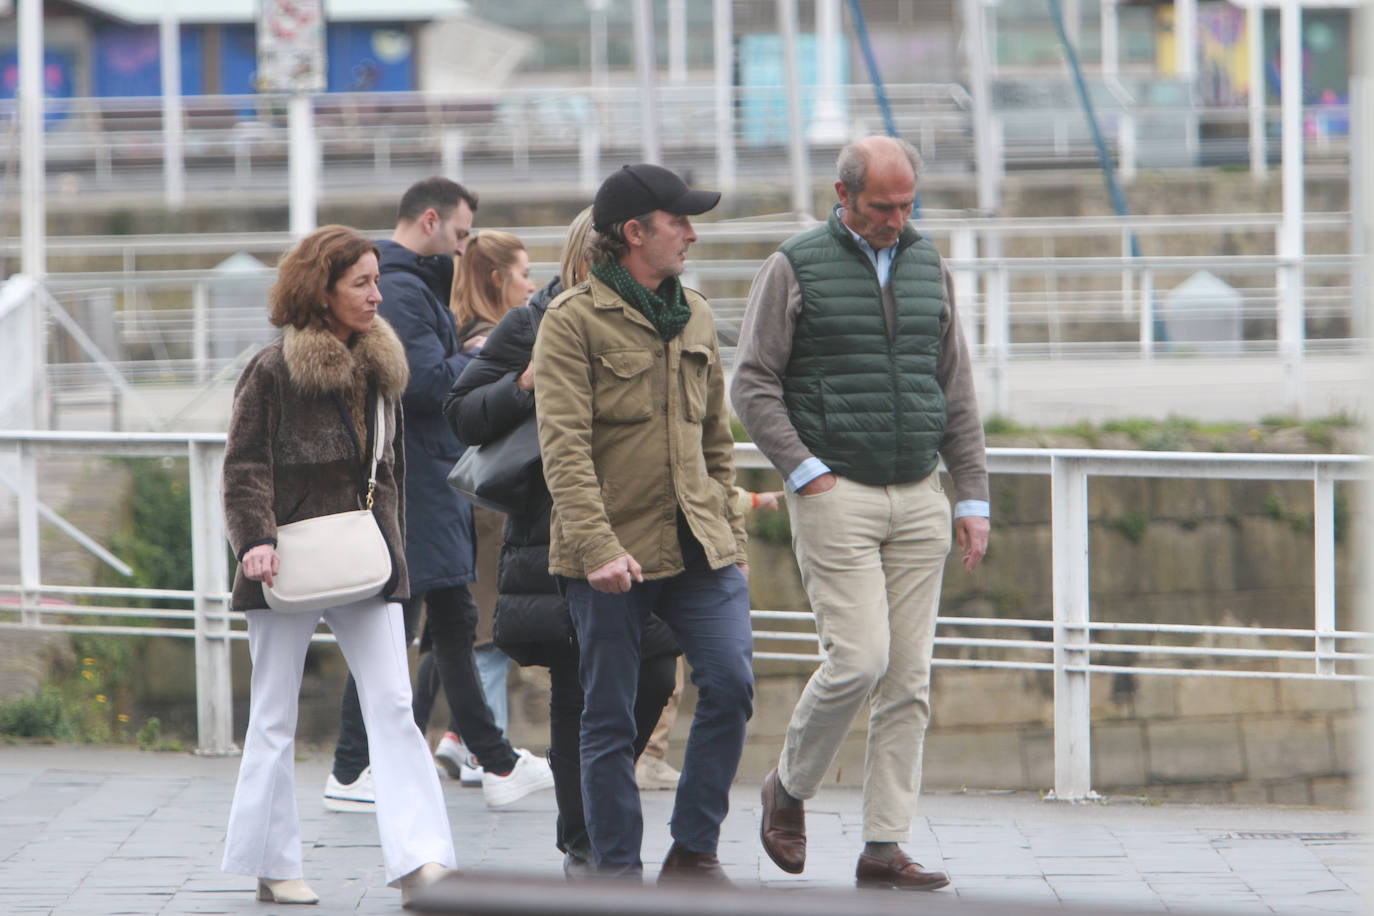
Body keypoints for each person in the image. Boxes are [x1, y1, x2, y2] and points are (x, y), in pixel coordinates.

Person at [732, 136, 990, 892]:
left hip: (920, 495)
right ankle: (790, 785)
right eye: (883, 207)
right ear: (842, 196)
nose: (897, 219)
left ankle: (884, 847)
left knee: (909, 680)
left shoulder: (927, 261)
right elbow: (751, 384)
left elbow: (957, 388)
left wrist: (970, 496)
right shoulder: (793, 266)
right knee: (861, 659)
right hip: (835, 491)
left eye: (908, 205)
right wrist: (807, 472)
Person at [220, 225, 456, 907]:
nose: (377, 295)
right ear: (321, 291)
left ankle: (422, 863)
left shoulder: (382, 365)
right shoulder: (272, 369)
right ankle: (272, 862)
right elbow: (244, 464)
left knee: (393, 703)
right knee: (273, 714)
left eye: (378, 280)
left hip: (365, 555)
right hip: (283, 559)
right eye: (362, 283)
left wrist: (398, 559)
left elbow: (391, 473)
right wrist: (254, 540)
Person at [532, 165, 755, 882]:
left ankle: (693, 849)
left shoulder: (695, 312)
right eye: (678, 221)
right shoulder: (571, 322)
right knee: (610, 716)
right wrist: (597, 547)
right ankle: (618, 877)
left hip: (699, 546)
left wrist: (732, 535)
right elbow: (562, 448)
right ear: (635, 233)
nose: (691, 233)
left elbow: (717, 440)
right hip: (610, 556)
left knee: (731, 683)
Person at [446, 206, 680, 876]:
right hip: (554, 534)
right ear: (588, 256)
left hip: (642, 531)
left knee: (655, 674)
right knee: (580, 687)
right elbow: (462, 411)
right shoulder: (534, 321)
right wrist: (525, 381)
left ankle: (592, 813)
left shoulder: (654, 317)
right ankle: (584, 841)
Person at [324, 177, 552, 813]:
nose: (461, 250)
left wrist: (465, 359)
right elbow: (425, 383)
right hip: (416, 478)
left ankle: (492, 761)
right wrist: (480, 360)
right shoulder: (399, 286)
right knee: (406, 627)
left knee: (443, 622)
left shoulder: (404, 283)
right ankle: (352, 768)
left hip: (426, 474)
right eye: (457, 235)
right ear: (430, 220)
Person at [431, 230, 536, 782]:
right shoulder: (490, 345)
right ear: (497, 279)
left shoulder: (465, 337)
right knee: (487, 637)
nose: (532, 283)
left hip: (472, 506)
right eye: (523, 273)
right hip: (487, 507)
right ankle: (481, 751)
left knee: (469, 634)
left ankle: (461, 738)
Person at [636, 486, 783, 793]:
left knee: (715, 682)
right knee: (664, 680)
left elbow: (720, 485)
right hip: (662, 571)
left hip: (671, 569)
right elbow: (720, 492)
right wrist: (757, 500)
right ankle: (647, 757)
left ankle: (647, 760)